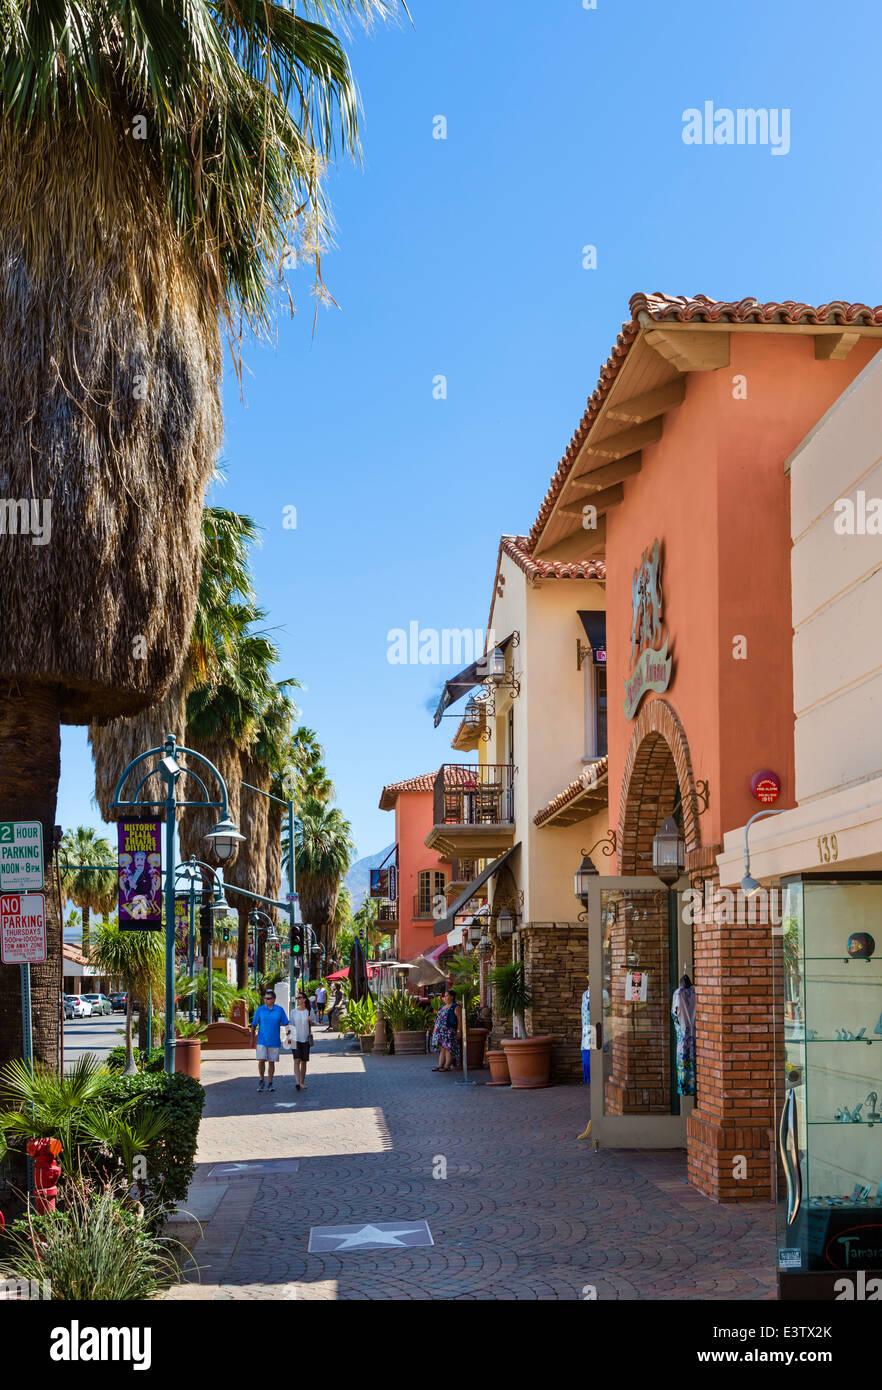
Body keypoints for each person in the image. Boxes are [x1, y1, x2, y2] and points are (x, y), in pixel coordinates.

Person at [250, 989, 289, 1094]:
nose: (266, 1000)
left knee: (272, 1062)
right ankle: (261, 1080)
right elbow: (254, 1025)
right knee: (261, 1060)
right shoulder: (260, 1010)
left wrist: (289, 1036)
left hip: (274, 1040)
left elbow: (286, 1023)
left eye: (268, 998)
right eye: (265, 998)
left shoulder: (280, 1010)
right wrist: (252, 1039)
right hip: (262, 1040)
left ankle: (270, 1082)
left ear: (274, 999)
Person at [431, 989, 461, 1072]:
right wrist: (435, 1029)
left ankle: (447, 1066)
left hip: (448, 1030)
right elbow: (438, 1018)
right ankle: (440, 1066)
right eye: (445, 996)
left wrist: (459, 1031)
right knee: (442, 1048)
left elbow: (459, 1020)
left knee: (448, 1048)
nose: (445, 997)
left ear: (452, 997)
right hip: (439, 1030)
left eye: (447, 996)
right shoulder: (442, 1006)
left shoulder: (455, 1007)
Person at [289, 991, 314, 1090]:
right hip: (295, 1038)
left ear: (304, 999)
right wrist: (289, 1037)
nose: (298, 999)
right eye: (297, 998)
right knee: (296, 1060)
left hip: (305, 1038)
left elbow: (314, 1023)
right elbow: (291, 1025)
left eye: (299, 997)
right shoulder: (293, 1012)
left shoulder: (309, 1011)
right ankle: (297, 1082)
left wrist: (310, 1021)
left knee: (303, 1061)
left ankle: (302, 1082)